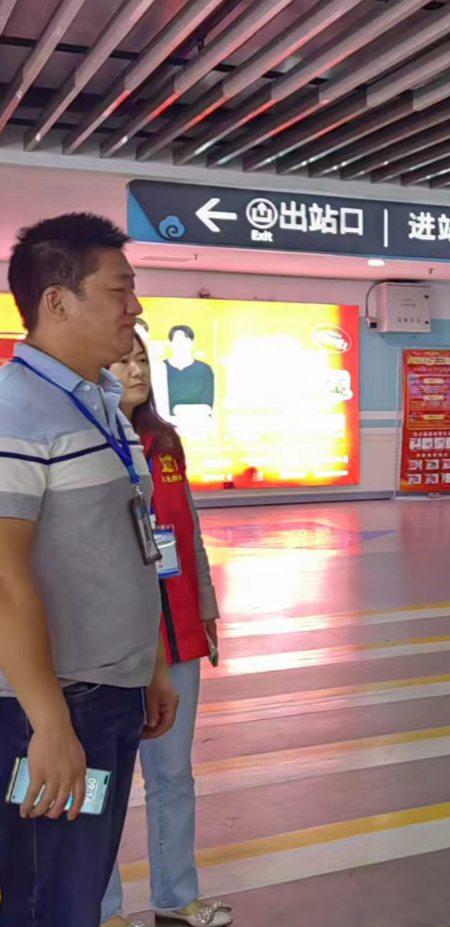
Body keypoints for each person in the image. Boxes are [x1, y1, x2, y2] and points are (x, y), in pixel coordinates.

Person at [0, 213, 179, 927]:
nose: (135, 308)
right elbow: (4, 579)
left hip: (108, 695)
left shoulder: (101, 406)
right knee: (47, 897)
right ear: (57, 301)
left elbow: (126, 543)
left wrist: (151, 662)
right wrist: (48, 725)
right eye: (119, 289)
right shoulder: (15, 414)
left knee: (79, 886)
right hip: (49, 706)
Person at [102, 330, 230, 927]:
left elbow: (187, 531)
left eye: (142, 360)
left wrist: (205, 607)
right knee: (104, 779)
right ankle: (102, 907)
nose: (137, 370)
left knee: (173, 773)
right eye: (123, 360)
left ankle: (177, 897)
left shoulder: (166, 441)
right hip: (107, 638)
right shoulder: (85, 440)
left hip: (175, 631)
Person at [164, 325, 214, 413]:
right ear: (170, 344)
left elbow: (207, 403)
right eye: (177, 341)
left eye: (185, 341)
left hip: (196, 418)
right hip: (164, 419)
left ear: (192, 343)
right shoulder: (160, 368)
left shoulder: (204, 369)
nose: (181, 345)